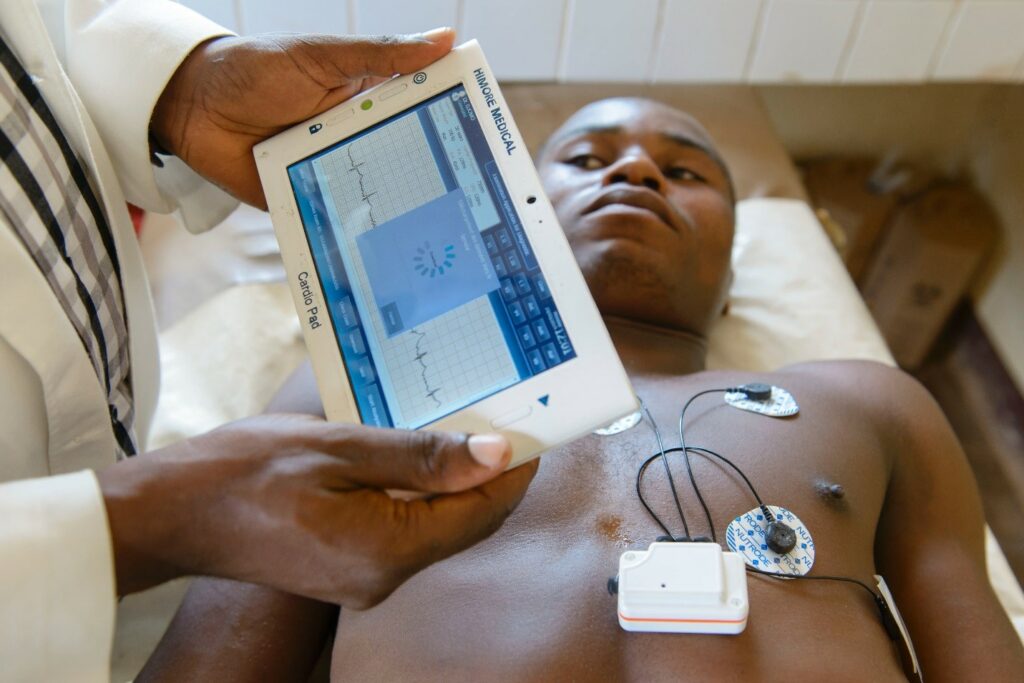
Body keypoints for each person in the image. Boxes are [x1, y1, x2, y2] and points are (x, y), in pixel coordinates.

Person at [142, 96, 1024, 680]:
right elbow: (218, 653)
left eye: (686, 173)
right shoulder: (373, 385)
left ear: (732, 269)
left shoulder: (872, 402)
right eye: (588, 159)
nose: (635, 173)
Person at [0, 1, 535, 679]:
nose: (635, 175)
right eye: (584, 157)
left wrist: (179, 90)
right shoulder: (329, 384)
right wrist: (150, 523)